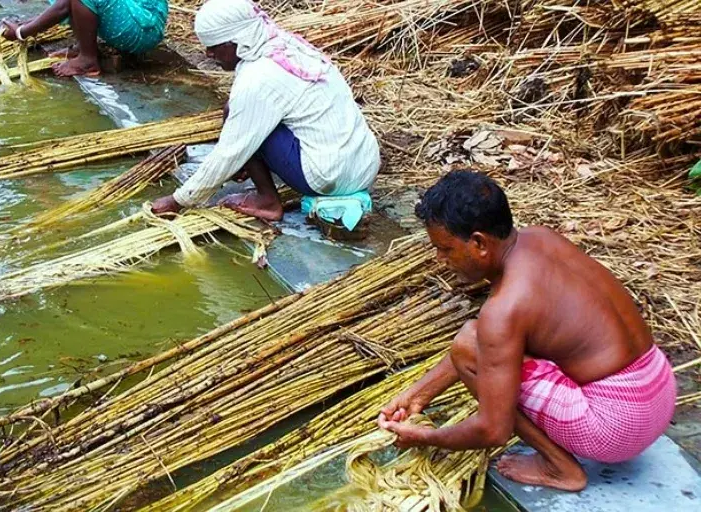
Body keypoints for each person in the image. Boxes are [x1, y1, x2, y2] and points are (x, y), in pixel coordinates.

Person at [378, 171, 676, 491]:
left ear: (479, 243)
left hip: (617, 428)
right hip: (659, 389)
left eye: (446, 249)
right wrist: (417, 396)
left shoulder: (505, 309)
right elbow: (497, 344)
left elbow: (493, 430)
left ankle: (560, 467)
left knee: (470, 342)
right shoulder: (542, 238)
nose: (440, 260)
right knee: (481, 340)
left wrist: (428, 437)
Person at [151, 0, 380, 222]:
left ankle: (267, 201)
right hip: (365, 166)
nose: (209, 54)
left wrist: (178, 200)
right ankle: (259, 175)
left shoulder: (258, 78)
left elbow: (229, 151)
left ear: (236, 42)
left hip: (328, 178)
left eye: (214, 47)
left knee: (239, 118)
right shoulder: (282, 43)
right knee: (247, 115)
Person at [1, 0, 169, 77]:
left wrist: (22, 32)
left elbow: (63, 6)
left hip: (142, 28)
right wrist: (27, 24)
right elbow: (63, 6)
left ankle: (88, 59)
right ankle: (85, 47)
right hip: (130, 18)